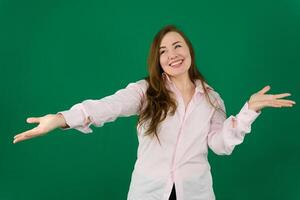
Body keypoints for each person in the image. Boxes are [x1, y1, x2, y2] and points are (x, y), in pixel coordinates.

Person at [13, 25, 296, 200]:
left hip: (195, 194)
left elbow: (221, 145)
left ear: (189, 52)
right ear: (159, 61)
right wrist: (61, 119)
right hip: (148, 193)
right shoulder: (145, 91)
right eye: (163, 51)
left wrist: (249, 111)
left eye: (177, 46)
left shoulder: (212, 99)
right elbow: (106, 106)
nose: (171, 54)